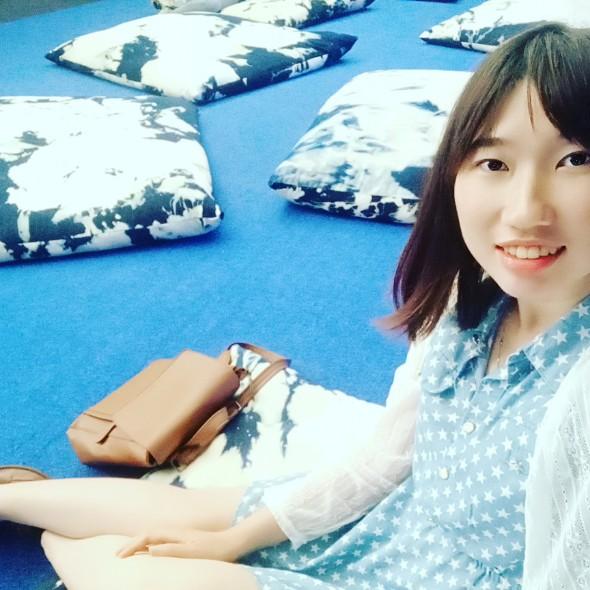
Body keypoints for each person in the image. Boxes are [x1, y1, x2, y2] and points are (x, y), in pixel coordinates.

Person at [2, 21, 590, 590]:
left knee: (130, 571)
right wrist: (237, 540)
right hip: (399, 518)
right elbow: (386, 457)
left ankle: (59, 543)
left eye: (576, 160)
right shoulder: (468, 299)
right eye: (494, 163)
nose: (524, 211)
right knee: (196, 515)